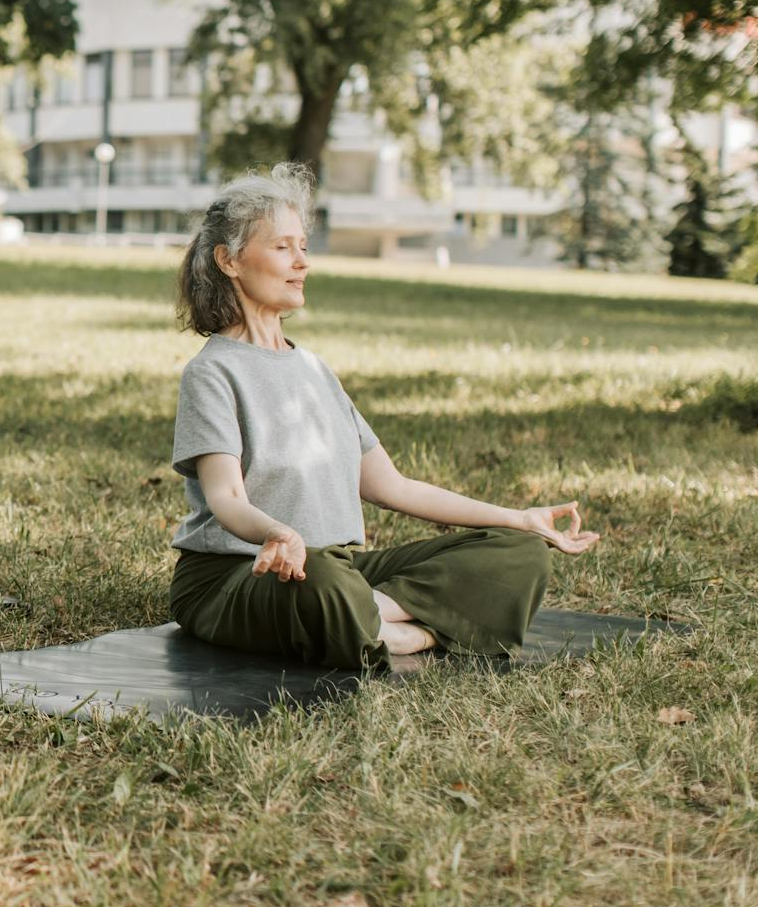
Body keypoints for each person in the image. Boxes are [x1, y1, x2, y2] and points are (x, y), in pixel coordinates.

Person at [166, 163, 600, 671]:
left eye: (304, 246)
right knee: (323, 583)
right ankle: (416, 631)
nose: (301, 262)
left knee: (520, 554)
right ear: (229, 260)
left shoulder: (314, 369)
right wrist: (279, 535)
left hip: (335, 570)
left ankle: (374, 623)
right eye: (283, 247)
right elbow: (226, 499)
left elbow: (393, 486)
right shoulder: (212, 373)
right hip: (237, 578)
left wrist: (518, 518)